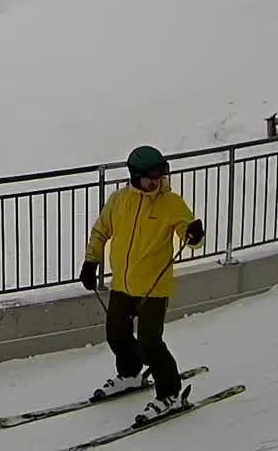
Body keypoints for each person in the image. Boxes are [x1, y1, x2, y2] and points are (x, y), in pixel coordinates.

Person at [81, 145, 206, 424]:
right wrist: (91, 262)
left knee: (150, 343)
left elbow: (190, 236)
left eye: (161, 175)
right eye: (151, 176)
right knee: (116, 333)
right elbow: (101, 231)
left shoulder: (171, 202)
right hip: (122, 284)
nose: (156, 181)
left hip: (154, 286)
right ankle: (129, 374)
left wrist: (195, 235)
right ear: (135, 175)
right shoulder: (119, 201)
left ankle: (170, 394)